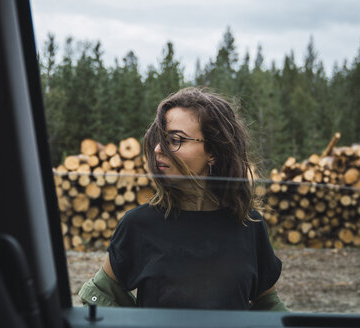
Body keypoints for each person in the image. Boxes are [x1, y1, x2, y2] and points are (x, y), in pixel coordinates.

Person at [79, 87, 288, 311]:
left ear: (213, 153)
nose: (159, 149)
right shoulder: (139, 224)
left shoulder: (249, 225)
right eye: (159, 139)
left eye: (175, 139)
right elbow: (99, 292)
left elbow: (268, 304)